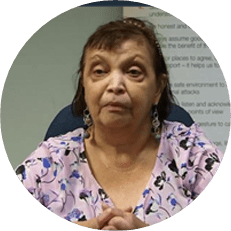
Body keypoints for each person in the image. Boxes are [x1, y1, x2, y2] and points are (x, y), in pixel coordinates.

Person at [15, 18, 224, 230]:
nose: (115, 85)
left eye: (133, 72)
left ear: (158, 89)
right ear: (84, 86)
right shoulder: (47, 163)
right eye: (99, 71)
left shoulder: (192, 154)